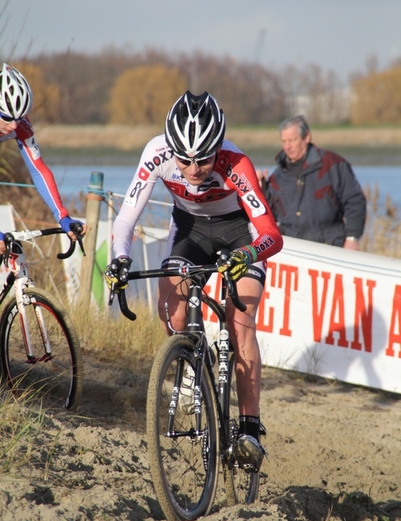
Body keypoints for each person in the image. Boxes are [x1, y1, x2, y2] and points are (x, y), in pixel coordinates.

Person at [105, 91, 283, 472]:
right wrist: (119, 259)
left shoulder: (236, 163)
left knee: (240, 326)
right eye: (184, 159)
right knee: (171, 311)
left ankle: (250, 429)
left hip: (238, 234)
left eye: (203, 158)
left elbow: (270, 233)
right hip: (188, 231)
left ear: (217, 148)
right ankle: (187, 363)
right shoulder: (156, 153)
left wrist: (248, 255)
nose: (194, 167)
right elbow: (125, 219)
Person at [0, 63, 87, 254]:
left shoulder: (19, 125)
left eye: (19, 118)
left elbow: (38, 169)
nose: (14, 126)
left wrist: (63, 216)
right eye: (7, 117)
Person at [256, 115, 366, 249]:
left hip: (331, 244)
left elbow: (355, 201)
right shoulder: (277, 176)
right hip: (292, 248)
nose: (287, 147)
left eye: (292, 140)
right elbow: (268, 217)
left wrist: (353, 238)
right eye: (284, 141)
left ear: (307, 137)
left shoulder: (332, 164)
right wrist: (260, 190)